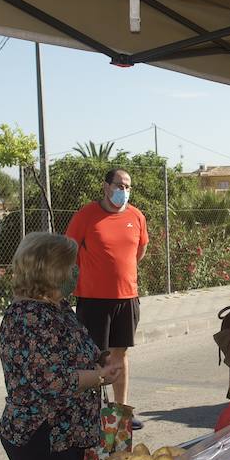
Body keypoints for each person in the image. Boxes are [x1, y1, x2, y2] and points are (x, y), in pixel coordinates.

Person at [0, 233, 123, 460]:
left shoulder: (56, 306)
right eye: (70, 266)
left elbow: (73, 348)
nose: (76, 272)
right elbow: (51, 381)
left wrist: (101, 358)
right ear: (50, 271)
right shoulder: (27, 317)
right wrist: (99, 376)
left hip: (67, 434)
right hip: (45, 437)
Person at [66, 168, 149, 426]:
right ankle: (91, 414)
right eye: (119, 185)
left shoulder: (136, 216)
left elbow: (140, 250)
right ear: (106, 187)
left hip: (126, 298)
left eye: (127, 187)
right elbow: (68, 249)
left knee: (119, 355)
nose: (123, 191)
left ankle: (121, 413)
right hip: (93, 300)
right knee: (93, 357)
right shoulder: (86, 215)